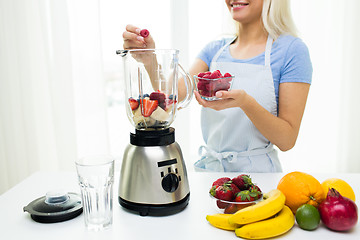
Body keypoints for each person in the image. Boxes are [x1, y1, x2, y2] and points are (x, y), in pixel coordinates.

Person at [122, 0, 312, 172]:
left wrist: (244, 102)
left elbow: (287, 140)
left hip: (259, 177)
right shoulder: (215, 49)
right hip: (212, 174)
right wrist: (150, 60)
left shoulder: (292, 50)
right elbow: (174, 95)